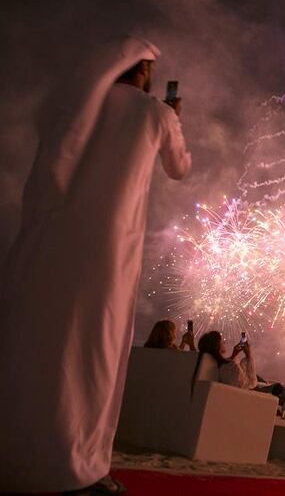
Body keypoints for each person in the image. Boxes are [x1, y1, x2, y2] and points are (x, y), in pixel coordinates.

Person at [0, 37, 191, 494]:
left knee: (44, 331)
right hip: (111, 243)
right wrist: (174, 119)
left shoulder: (81, 101)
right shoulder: (156, 114)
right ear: (142, 72)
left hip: (59, 233)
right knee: (98, 345)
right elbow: (180, 168)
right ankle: (80, 461)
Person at [192, 331, 257, 390]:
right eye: (222, 341)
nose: (224, 342)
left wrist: (233, 356)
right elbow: (252, 383)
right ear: (217, 346)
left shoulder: (215, 365)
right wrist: (248, 355)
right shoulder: (230, 366)